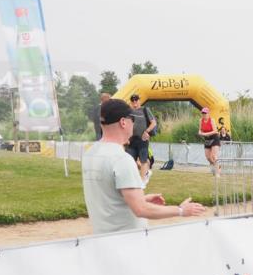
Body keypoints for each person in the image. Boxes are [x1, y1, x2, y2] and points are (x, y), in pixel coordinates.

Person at [82, 99, 205, 234]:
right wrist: (181, 210)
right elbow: (141, 209)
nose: (134, 124)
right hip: (127, 240)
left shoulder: (90, 154)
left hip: (101, 238)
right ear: (123, 122)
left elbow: (107, 198)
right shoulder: (122, 159)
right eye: (132, 119)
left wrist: (142, 198)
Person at [126, 94, 157, 184]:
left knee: (143, 160)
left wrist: (147, 131)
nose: (135, 102)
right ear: (131, 102)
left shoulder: (145, 110)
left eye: (136, 100)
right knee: (130, 161)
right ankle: (143, 174)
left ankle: (142, 181)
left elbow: (153, 123)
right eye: (133, 101)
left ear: (139, 101)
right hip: (131, 140)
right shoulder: (129, 112)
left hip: (142, 139)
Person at [198, 107, 221, 173]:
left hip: (214, 138)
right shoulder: (200, 120)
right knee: (208, 157)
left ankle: (217, 173)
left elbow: (215, 131)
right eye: (203, 113)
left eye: (205, 113)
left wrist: (205, 134)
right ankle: (217, 166)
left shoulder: (212, 120)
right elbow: (200, 130)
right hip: (207, 139)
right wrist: (200, 133)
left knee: (214, 156)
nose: (204, 115)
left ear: (208, 114)